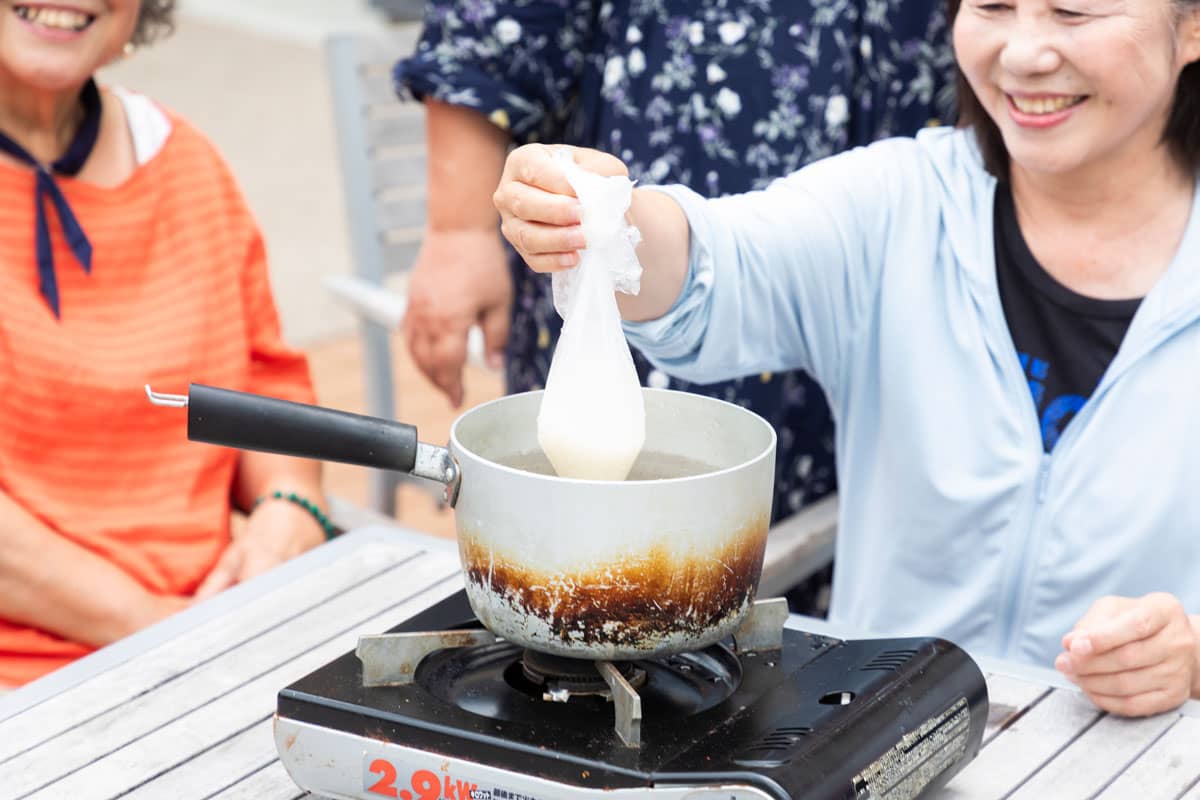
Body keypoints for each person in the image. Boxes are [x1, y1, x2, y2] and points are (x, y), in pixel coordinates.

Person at [494, 0, 1200, 716]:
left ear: (1192, 25)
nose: (1022, 53)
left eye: (1074, 12)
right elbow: (713, 264)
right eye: (992, 6)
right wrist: (591, 207)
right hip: (879, 736)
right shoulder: (898, 205)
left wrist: (1191, 656)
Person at [393, 1, 956, 613]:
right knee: (583, 549)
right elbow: (489, 27)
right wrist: (461, 230)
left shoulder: (911, 192)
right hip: (624, 221)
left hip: (852, 308)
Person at [0, 0, 330, 687]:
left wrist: (286, 508)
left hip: (214, 639)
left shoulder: (184, 160)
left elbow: (268, 387)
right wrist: (164, 631)